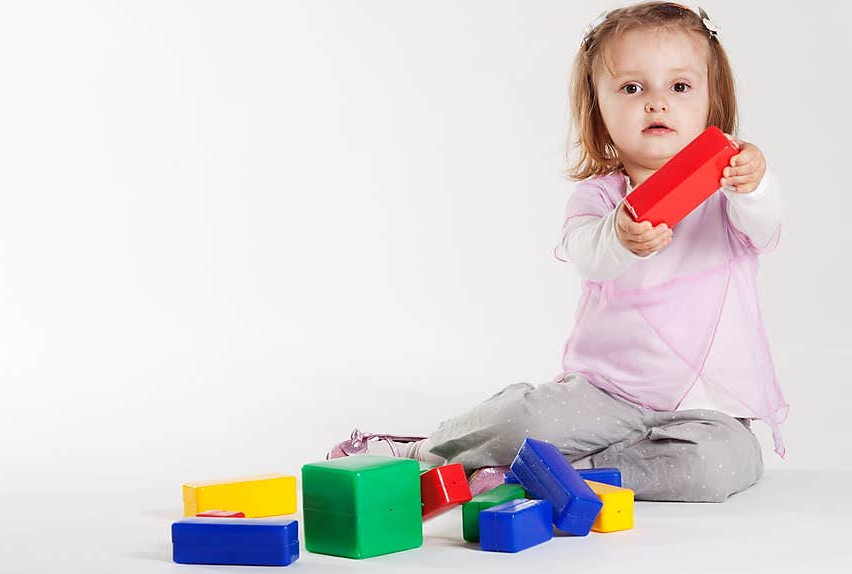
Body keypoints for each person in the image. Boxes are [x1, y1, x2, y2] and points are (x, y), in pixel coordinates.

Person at [327, 2, 788, 502]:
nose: (657, 103)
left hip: (707, 408)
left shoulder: (729, 189)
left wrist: (756, 187)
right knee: (524, 422)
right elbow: (587, 253)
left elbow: (763, 229)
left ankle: (554, 474)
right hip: (608, 392)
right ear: (599, 107)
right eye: (632, 88)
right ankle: (428, 451)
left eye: (679, 87)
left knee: (717, 467)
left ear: (710, 101)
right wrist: (619, 236)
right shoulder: (601, 197)